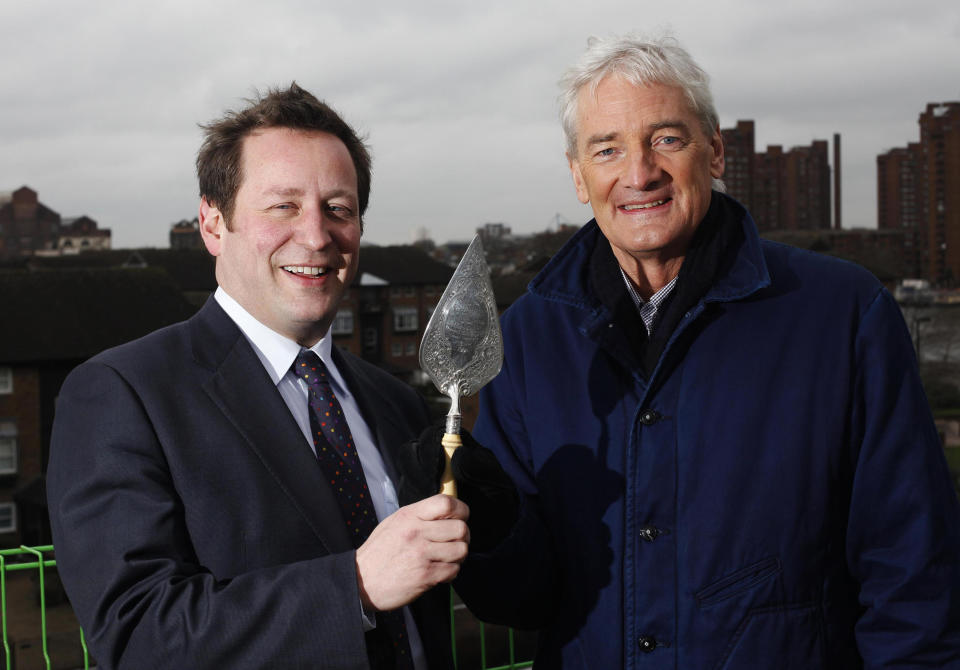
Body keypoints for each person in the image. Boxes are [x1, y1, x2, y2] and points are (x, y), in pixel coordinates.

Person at [449, 34, 960, 668]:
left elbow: (913, 573)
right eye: (606, 149)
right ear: (579, 176)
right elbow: (521, 604)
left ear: (714, 151)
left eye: (666, 139)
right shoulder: (528, 338)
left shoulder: (842, 313)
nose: (639, 173)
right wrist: (490, 524)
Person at [46, 83, 469, 670]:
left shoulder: (393, 401)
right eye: (284, 206)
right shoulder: (123, 394)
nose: (317, 236)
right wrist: (355, 586)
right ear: (213, 224)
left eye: (339, 208)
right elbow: (138, 635)